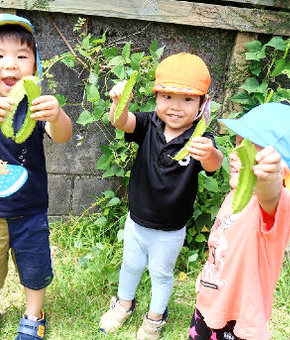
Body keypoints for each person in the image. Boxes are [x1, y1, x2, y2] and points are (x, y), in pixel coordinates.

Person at [0, 14, 72, 340]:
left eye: (22, 56)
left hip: (30, 209)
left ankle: (34, 314)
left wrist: (58, 114)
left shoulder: (36, 103)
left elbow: (62, 135)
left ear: (35, 66)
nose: (11, 65)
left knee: (35, 268)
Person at [99, 52, 224, 340]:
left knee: (161, 274)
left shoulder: (200, 138)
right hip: (137, 221)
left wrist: (211, 153)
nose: (175, 107)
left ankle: (155, 318)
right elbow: (121, 121)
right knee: (130, 265)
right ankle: (123, 305)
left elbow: (213, 165)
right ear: (156, 98)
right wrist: (120, 103)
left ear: (203, 104)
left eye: (187, 99)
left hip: (170, 230)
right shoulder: (148, 124)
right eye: (167, 96)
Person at [188, 102, 290, 340]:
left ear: (280, 170)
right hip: (209, 305)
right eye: (237, 143)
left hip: (238, 323)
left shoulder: (273, 208)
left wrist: (269, 178)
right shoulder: (236, 194)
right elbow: (220, 246)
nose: (234, 154)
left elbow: (271, 193)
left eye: (249, 149)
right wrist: (205, 278)